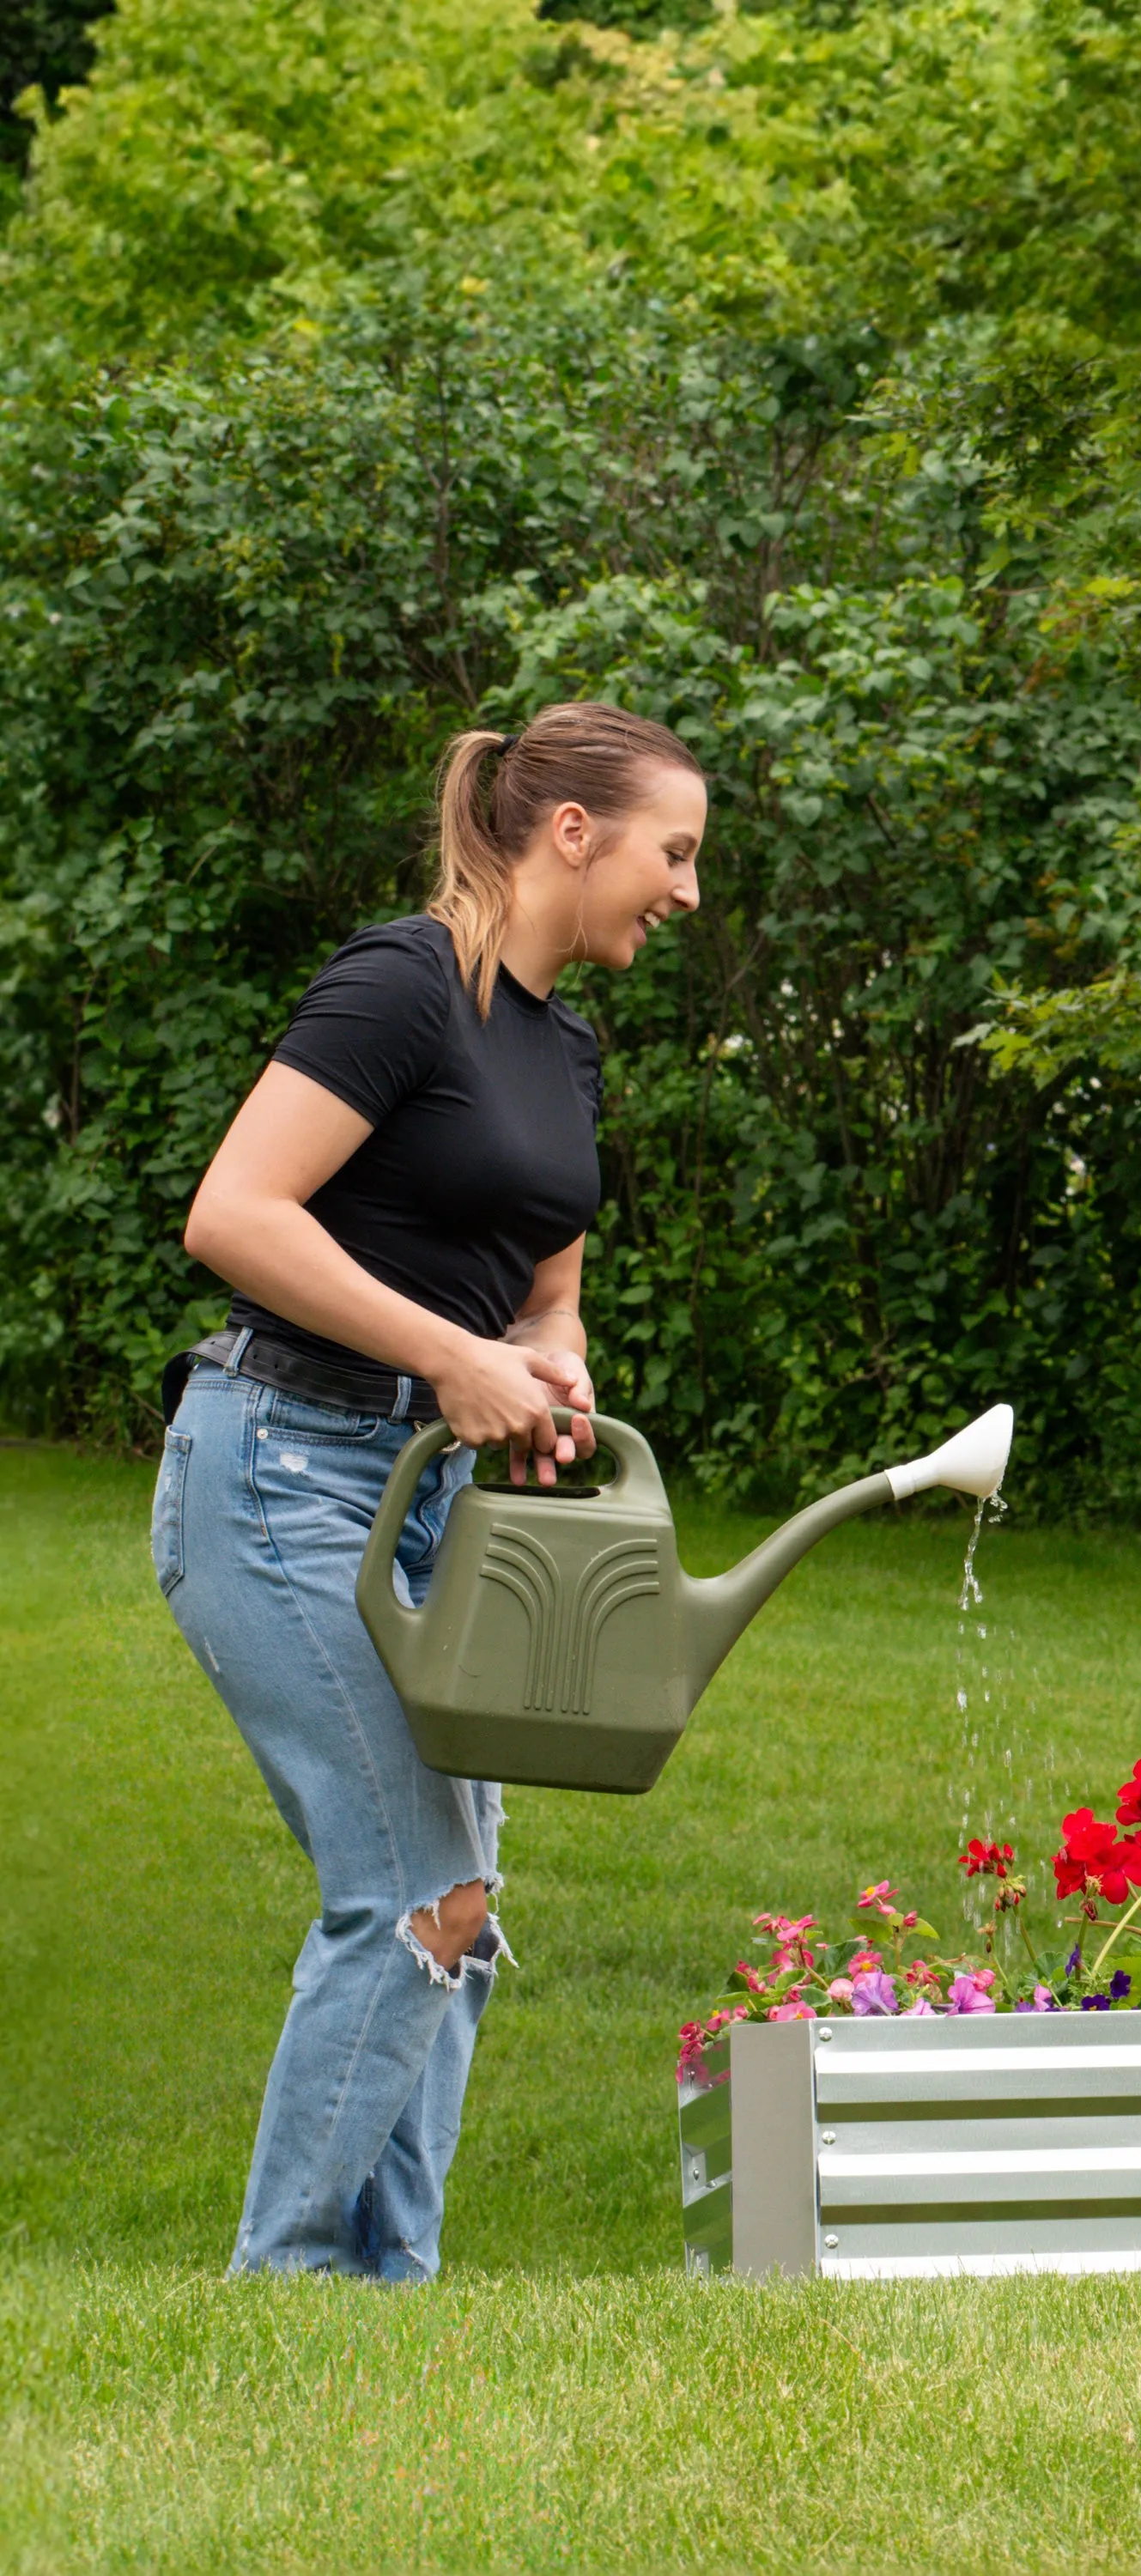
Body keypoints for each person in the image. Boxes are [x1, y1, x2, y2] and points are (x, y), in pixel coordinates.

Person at [152, 702, 705, 2279]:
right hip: (277, 1472)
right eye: (674, 853)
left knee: (458, 1906)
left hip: (432, 1504)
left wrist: (548, 1363)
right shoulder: (408, 982)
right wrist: (450, 1360)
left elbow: (546, 1294)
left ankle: (389, 2291)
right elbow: (236, 1213)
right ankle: (292, 2285)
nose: (686, 893)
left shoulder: (563, 1043)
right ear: (573, 832)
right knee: (418, 1888)